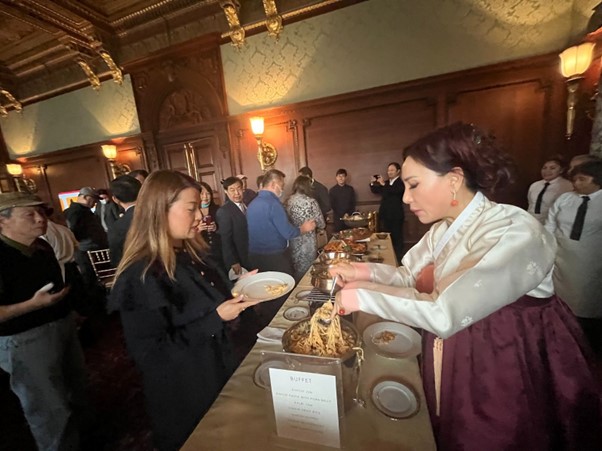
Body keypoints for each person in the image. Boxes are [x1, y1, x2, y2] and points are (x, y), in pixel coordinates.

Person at [329, 123, 602, 450]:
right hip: (454, 345)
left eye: (413, 185)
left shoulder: (515, 230)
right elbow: (407, 277)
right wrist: (359, 270)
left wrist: (360, 297)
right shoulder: (444, 229)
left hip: (506, 355)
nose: (405, 197)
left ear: (454, 179)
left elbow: (444, 312)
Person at [108, 170, 259, 451]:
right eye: (192, 209)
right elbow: (151, 354)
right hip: (185, 392)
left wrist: (237, 287)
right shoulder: (141, 275)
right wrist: (216, 319)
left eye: (201, 207)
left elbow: (202, 303)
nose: (201, 216)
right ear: (158, 211)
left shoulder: (189, 253)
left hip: (215, 370)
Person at [0, 192, 88, 451]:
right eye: (29, 214)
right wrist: (32, 305)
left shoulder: (42, 246)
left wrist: (69, 311)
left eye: (42, 213)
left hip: (61, 326)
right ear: (2, 222)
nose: (40, 220)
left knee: (75, 390)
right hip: (24, 338)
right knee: (48, 407)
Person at [545, 160, 602, 354]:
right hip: (562, 255)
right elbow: (550, 224)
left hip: (592, 259)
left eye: (582, 179)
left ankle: (586, 343)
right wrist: (547, 247)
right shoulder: (565, 199)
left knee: (587, 301)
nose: (576, 183)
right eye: (575, 178)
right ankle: (560, 338)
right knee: (561, 298)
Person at [247, 169, 316, 324]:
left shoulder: (252, 204)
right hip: (275, 257)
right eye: (281, 185)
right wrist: (304, 228)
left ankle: (268, 323)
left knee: (266, 291)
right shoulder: (273, 203)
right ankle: (284, 325)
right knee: (283, 290)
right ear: (273, 184)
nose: (282, 189)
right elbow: (287, 232)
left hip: (255, 256)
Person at [64, 187, 108, 287]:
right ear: (85, 197)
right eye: (94, 200)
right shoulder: (76, 211)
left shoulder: (82, 210)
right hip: (87, 251)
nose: (95, 203)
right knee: (91, 279)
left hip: (91, 249)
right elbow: (73, 231)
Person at [285, 176, 326, 281]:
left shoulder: (287, 201)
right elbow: (321, 223)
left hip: (292, 241)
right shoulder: (311, 202)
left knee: (294, 271)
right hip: (308, 243)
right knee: (307, 272)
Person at [216, 176, 250, 278]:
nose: (237, 193)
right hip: (239, 259)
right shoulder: (224, 211)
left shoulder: (247, 205)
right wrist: (233, 261)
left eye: (239, 189)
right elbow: (225, 240)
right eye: (232, 190)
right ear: (226, 191)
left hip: (251, 255)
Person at [370, 162, 405, 260]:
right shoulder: (386, 183)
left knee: (397, 237)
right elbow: (376, 190)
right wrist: (373, 182)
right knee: (386, 238)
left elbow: (394, 191)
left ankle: (398, 259)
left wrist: (383, 184)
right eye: (388, 170)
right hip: (385, 215)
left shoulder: (400, 183)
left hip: (396, 215)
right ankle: (387, 259)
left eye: (392, 170)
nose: (389, 172)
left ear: (398, 171)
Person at [526, 155, 573, 223]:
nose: (547, 171)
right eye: (544, 168)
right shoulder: (535, 185)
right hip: (531, 220)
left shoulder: (567, 186)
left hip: (551, 223)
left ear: (561, 170)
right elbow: (530, 204)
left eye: (552, 168)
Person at [108, 175, 142, 267]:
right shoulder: (159, 215)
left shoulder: (117, 227)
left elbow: (116, 260)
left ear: (115, 199)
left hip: (135, 274)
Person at [198, 181, 224, 271]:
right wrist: (198, 230)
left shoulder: (218, 209)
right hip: (200, 253)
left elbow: (225, 229)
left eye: (208, 193)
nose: (205, 197)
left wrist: (216, 227)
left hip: (218, 251)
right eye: (202, 194)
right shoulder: (192, 212)